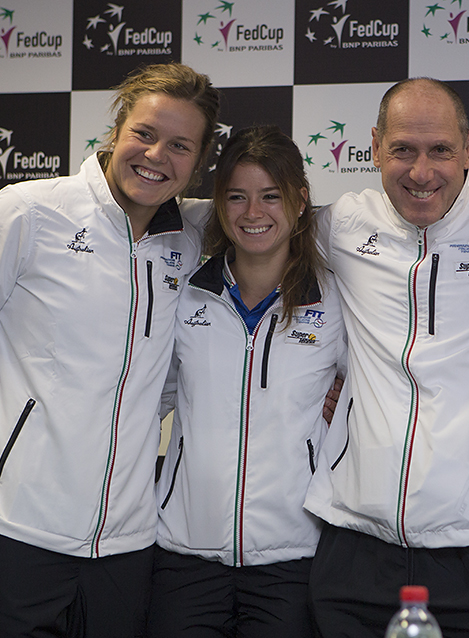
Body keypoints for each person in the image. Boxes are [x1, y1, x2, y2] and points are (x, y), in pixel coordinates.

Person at [0, 62, 219, 638]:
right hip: (3, 532)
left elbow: (275, 220)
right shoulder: (28, 212)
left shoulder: (192, 241)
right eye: (144, 133)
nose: (156, 155)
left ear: (199, 160)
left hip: (126, 548)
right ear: (117, 130)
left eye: (180, 145)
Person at [303, 77, 469, 638]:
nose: (421, 171)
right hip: (355, 538)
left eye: (440, 150)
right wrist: (325, 371)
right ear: (374, 147)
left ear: (468, 148)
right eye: (403, 150)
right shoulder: (339, 225)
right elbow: (247, 232)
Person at [147, 125, 344, 637]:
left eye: (270, 196)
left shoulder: (338, 302)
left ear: (300, 201)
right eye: (237, 197)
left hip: (294, 557)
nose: (253, 213)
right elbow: (147, 394)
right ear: (219, 203)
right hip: (184, 553)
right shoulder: (183, 294)